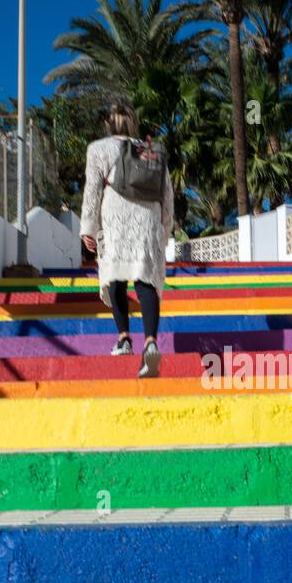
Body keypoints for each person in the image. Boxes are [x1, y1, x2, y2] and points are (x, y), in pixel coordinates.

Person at [80, 99, 174, 378]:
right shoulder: (150, 151)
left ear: (108, 124)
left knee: (114, 279)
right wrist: (165, 230)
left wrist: (88, 228)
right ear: (133, 123)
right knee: (145, 279)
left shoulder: (98, 149)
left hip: (115, 217)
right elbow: (166, 193)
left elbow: (92, 190)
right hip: (148, 219)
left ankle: (123, 339)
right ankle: (151, 343)